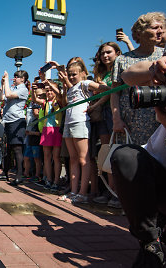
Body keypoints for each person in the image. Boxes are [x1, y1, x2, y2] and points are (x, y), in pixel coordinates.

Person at [111, 32, 166, 267]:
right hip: (160, 170)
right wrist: (156, 69)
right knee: (125, 156)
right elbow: (128, 75)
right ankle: (150, 242)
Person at [57, 60, 110, 204]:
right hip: (68, 123)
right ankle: (74, 192)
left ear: (82, 74)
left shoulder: (85, 84)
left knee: (83, 159)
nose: (72, 77)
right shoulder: (71, 87)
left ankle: (83, 193)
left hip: (81, 122)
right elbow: (65, 101)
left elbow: (107, 89)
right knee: (73, 159)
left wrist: (95, 105)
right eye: (70, 74)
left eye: (74, 74)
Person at [111, 12, 166, 146]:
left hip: (161, 122)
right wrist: (116, 119)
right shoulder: (122, 60)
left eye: (161, 27)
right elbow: (115, 93)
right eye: (155, 27)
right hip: (130, 123)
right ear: (140, 32)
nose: (160, 31)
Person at [90, 42, 123, 208]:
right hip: (103, 114)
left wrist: (94, 105)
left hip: (116, 113)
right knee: (106, 153)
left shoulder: (122, 67)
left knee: (117, 152)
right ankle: (110, 192)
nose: (105, 56)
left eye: (108, 52)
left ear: (117, 53)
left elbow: (110, 92)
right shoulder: (102, 74)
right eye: (102, 53)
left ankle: (120, 194)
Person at [0, 70, 29, 184]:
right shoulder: (13, 88)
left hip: (17, 121)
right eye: (14, 76)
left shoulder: (23, 89)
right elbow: (1, 98)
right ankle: (4, 172)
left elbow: (8, 95)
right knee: (7, 148)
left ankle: (19, 175)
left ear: (23, 79)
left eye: (17, 77)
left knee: (17, 149)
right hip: (7, 121)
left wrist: (6, 80)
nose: (14, 78)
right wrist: (2, 84)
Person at [31, 80, 63, 191]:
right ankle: (48, 180)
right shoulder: (45, 103)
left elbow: (60, 95)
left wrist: (52, 87)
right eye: (47, 90)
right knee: (47, 157)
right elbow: (34, 99)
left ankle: (56, 181)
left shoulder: (59, 100)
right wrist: (33, 90)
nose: (49, 92)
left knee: (56, 157)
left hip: (57, 130)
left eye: (51, 90)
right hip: (46, 130)